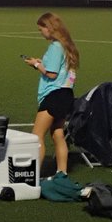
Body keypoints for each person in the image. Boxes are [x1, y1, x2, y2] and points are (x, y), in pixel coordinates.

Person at [23, 11, 79, 175]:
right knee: (57, 135)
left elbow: (52, 74)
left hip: (54, 95)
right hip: (65, 94)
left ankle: (34, 174)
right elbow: (59, 70)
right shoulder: (67, 46)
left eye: (42, 30)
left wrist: (35, 65)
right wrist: (42, 63)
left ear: (49, 28)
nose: (41, 33)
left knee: (37, 136)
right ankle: (62, 173)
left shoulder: (55, 47)